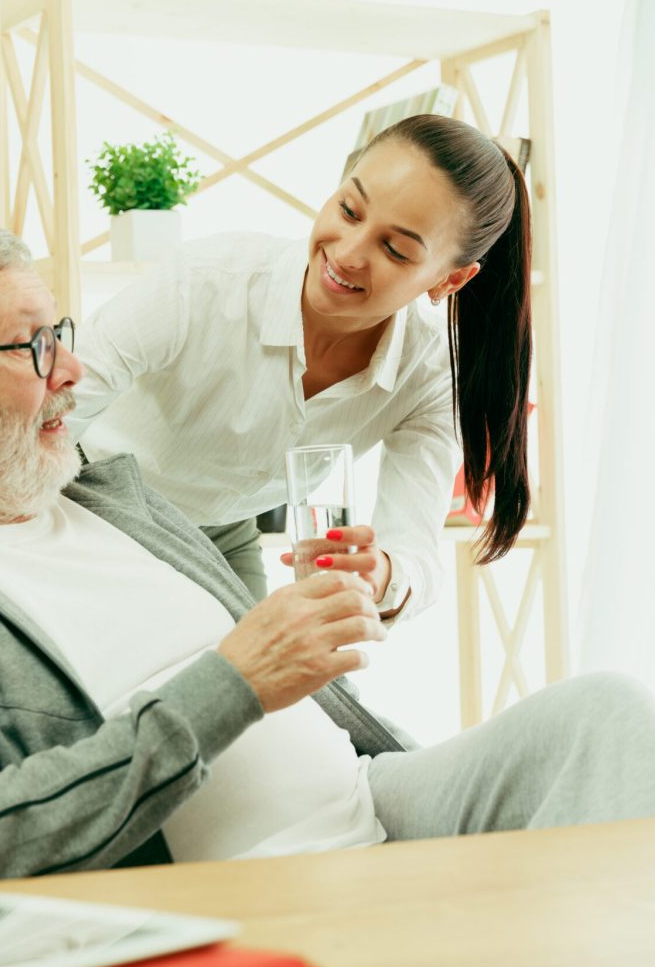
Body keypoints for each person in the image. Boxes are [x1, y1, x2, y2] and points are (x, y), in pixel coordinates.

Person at [0, 217, 655, 892]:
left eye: (60, 333)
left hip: (376, 810)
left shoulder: (114, 495)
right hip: (242, 892)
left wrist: (344, 609)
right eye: (33, 346)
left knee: (604, 719)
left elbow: (300, 685)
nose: (71, 370)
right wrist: (234, 682)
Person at [68, 115, 534, 620]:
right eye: (349, 210)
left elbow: (414, 554)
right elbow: (45, 408)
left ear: (450, 279)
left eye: (395, 249)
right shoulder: (205, 283)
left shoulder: (427, 375)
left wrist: (377, 574)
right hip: (89, 503)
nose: (348, 254)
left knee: (286, 690)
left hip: (220, 539)